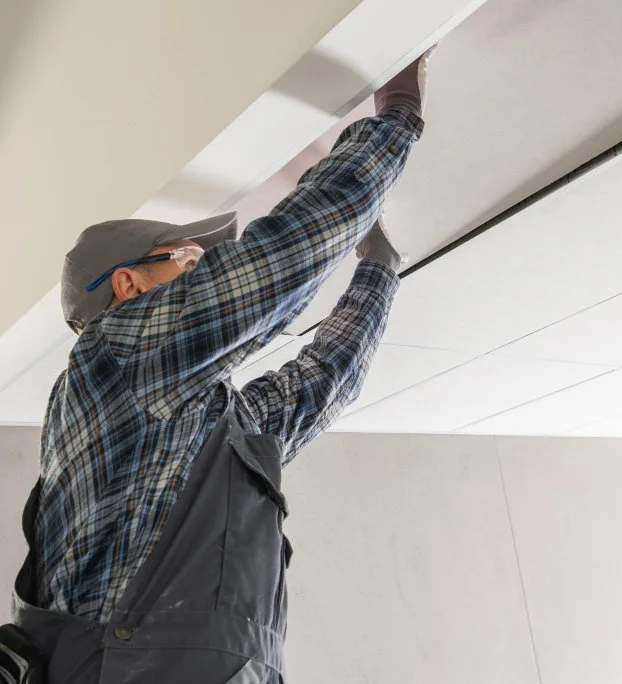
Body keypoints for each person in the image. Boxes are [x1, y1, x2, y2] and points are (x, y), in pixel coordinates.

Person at [4, 49, 434, 683]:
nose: (204, 269)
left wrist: (377, 270)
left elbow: (320, 385)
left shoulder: (185, 415)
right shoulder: (117, 352)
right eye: (186, 258)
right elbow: (280, 262)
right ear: (127, 285)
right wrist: (396, 117)